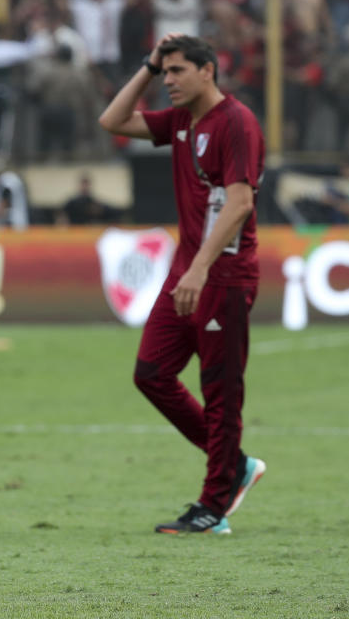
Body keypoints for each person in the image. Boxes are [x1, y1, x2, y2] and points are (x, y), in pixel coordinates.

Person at [98, 34, 266, 534]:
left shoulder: (236, 122)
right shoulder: (180, 122)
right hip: (186, 270)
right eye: (164, 71)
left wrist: (198, 270)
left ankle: (214, 506)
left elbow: (239, 204)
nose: (167, 81)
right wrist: (146, 66)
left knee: (220, 392)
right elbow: (111, 121)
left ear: (207, 71)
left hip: (224, 276)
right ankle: (233, 465)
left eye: (176, 71)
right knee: (151, 373)